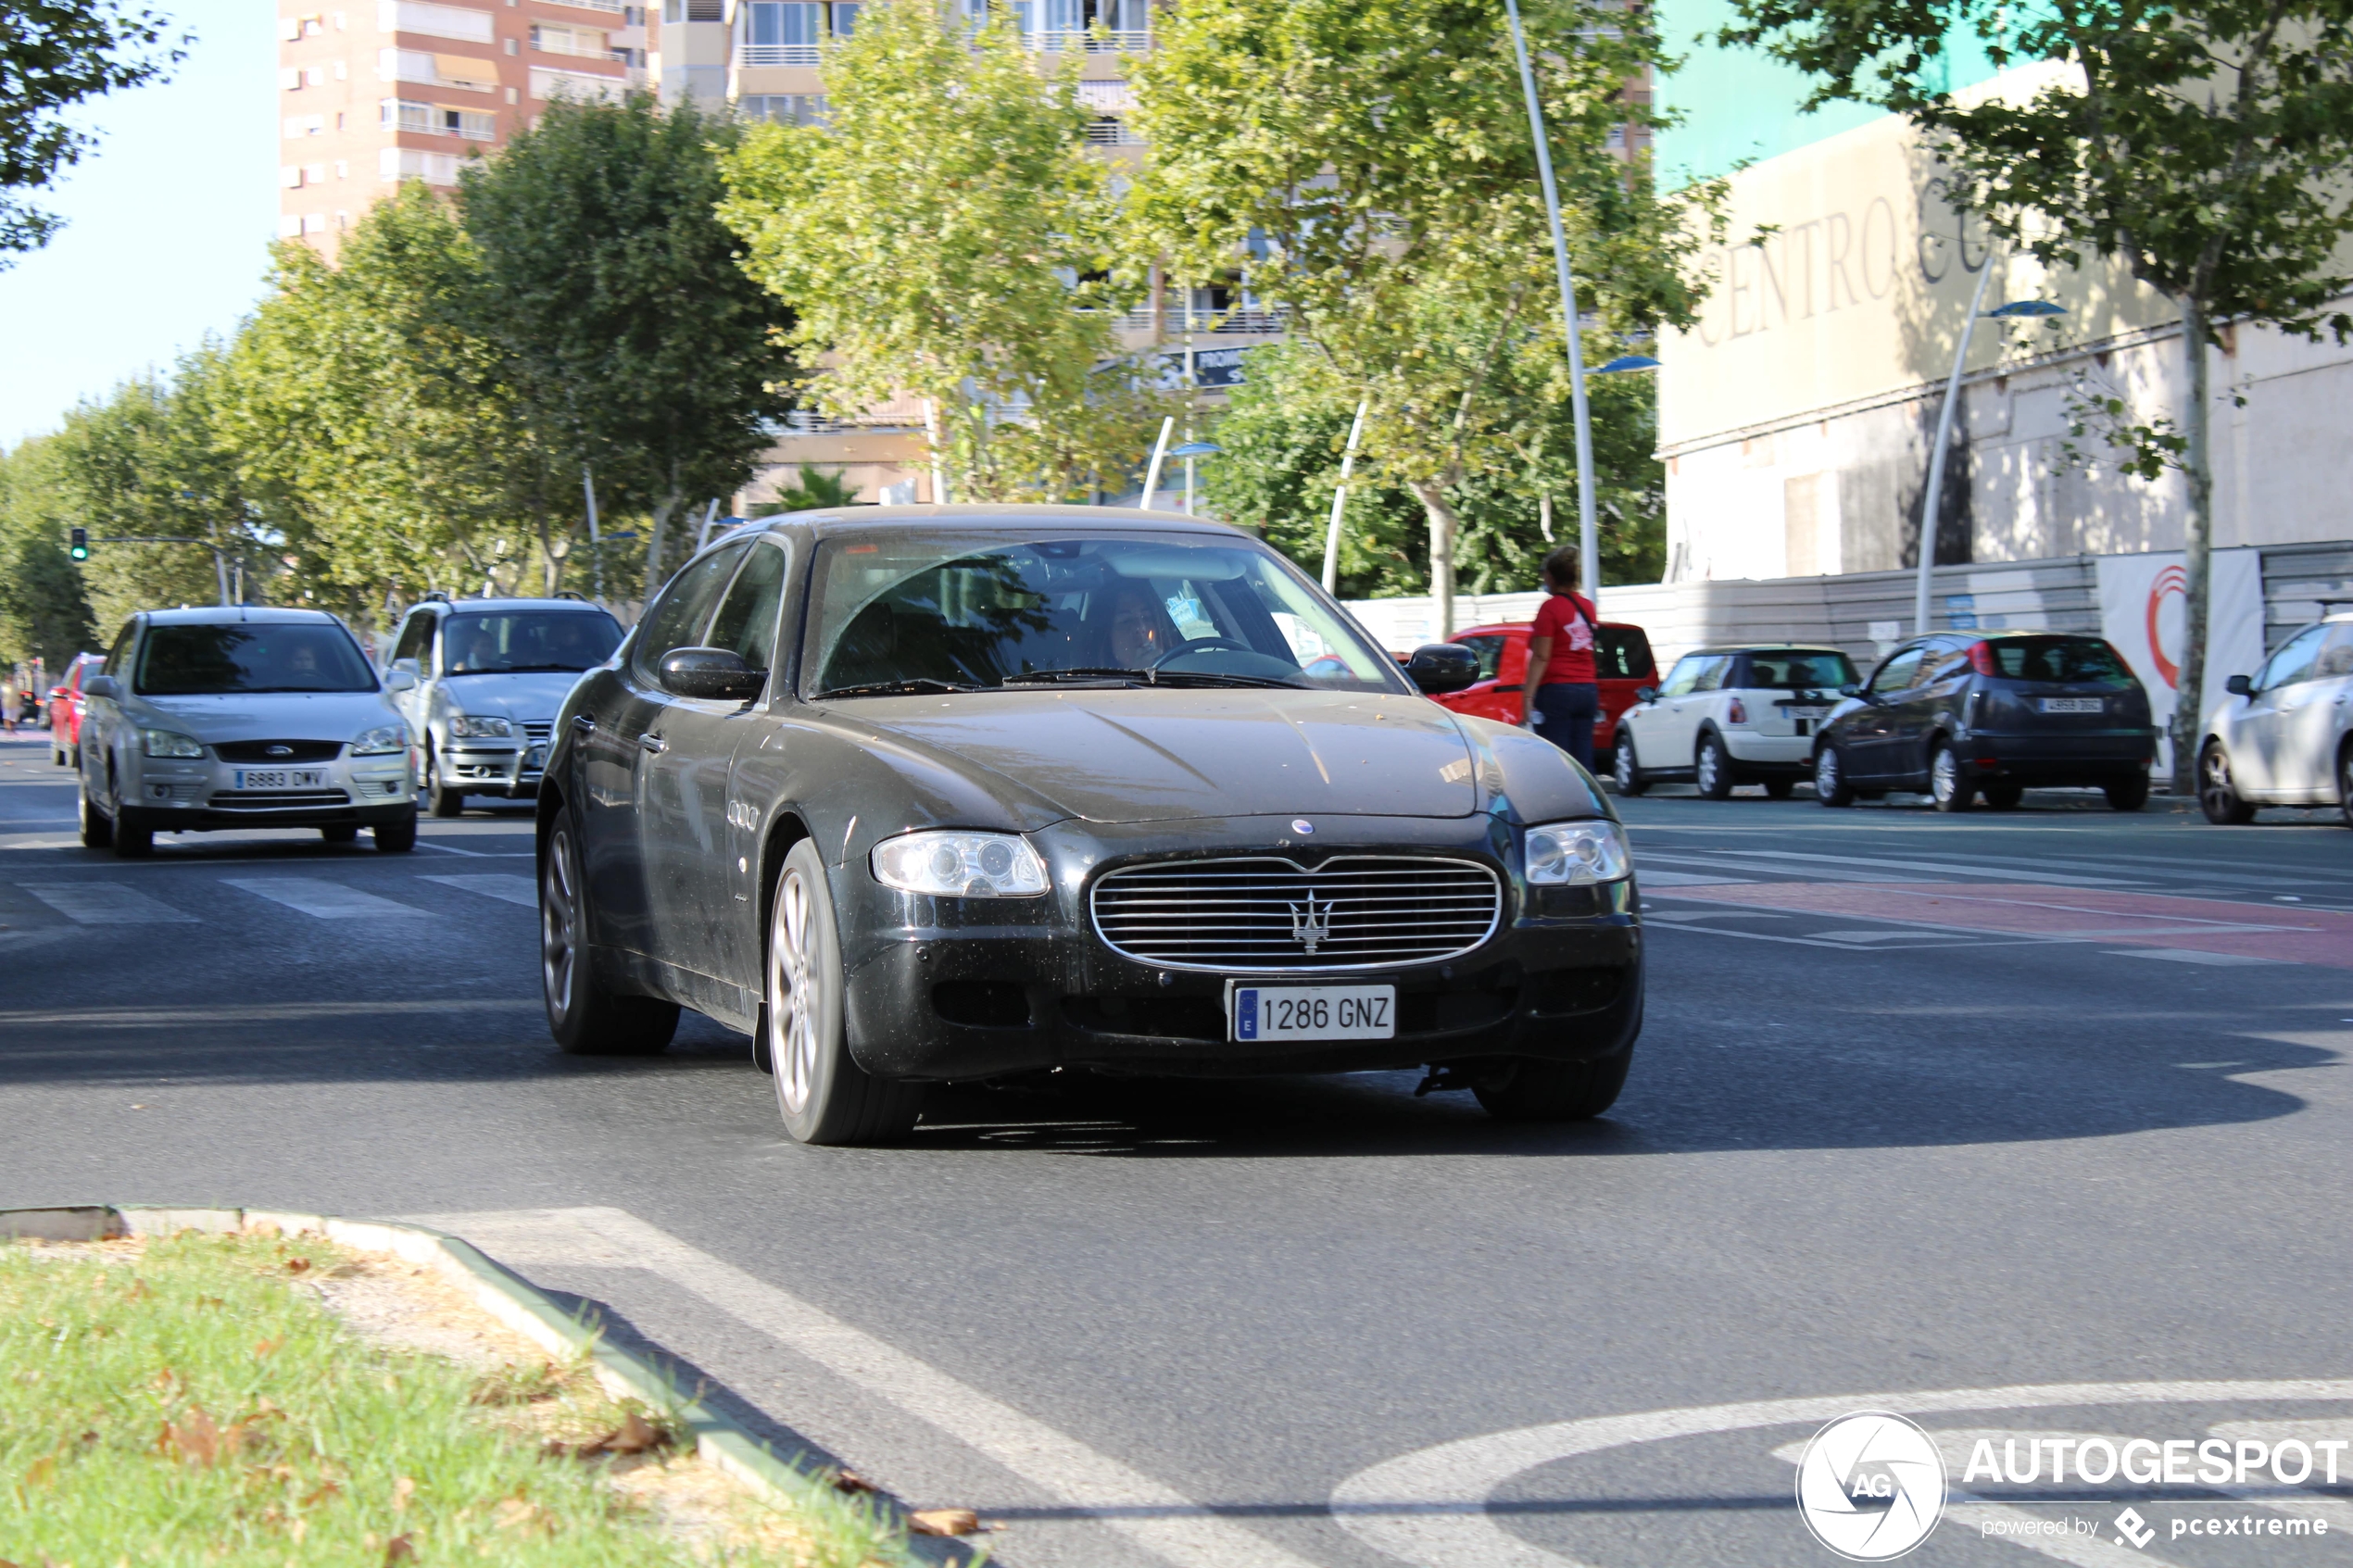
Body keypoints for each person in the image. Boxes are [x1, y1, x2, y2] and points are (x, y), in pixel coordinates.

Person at [1518, 547, 1602, 771]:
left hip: (1557, 691)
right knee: (1583, 755)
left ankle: (1561, 802)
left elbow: (1542, 655)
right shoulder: (1588, 607)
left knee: (1557, 756)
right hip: (1587, 689)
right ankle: (1588, 803)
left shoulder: (1550, 608)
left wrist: (1528, 695)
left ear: (1551, 576)